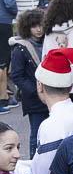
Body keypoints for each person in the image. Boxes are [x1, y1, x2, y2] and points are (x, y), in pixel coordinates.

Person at [10, 10, 47, 150]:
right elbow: (17, 75)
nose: (38, 29)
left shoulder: (49, 42)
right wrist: (34, 90)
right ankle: (33, 163)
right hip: (34, 98)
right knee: (36, 134)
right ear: (27, 27)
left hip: (51, 95)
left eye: (41, 25)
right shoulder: (20, 48)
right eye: (34, 26)